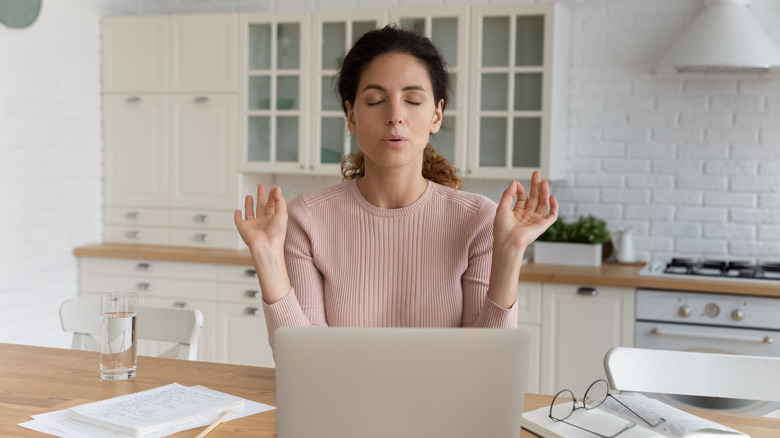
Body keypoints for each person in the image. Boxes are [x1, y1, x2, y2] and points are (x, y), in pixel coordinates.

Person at [234, 25, 558, 348]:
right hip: (343, 399)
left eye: (413, 100)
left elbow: (489, 363)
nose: (395, 116)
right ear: (351, 116)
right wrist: (266, 257)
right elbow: (303, 360)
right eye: (375, 100)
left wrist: (511, 252)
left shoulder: (478, 221)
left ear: (437, 115)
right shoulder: (307, 219)